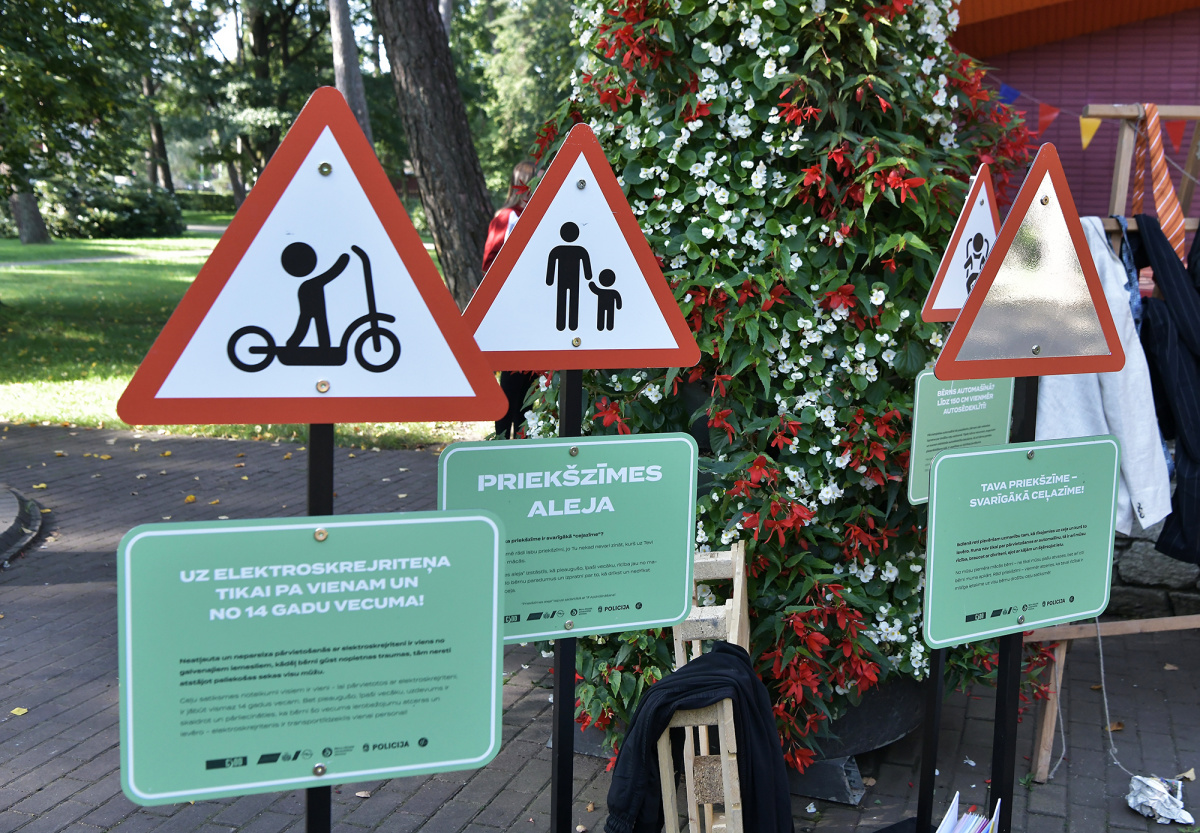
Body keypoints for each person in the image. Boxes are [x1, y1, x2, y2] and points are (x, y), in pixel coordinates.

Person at [484, 161, 536, 438]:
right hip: (515, 312)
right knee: (513, 380)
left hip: (538, 311)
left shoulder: (541, 215)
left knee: (532, 384)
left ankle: (524, 440)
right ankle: (503, 439)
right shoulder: (507, 217)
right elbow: (489, 263)